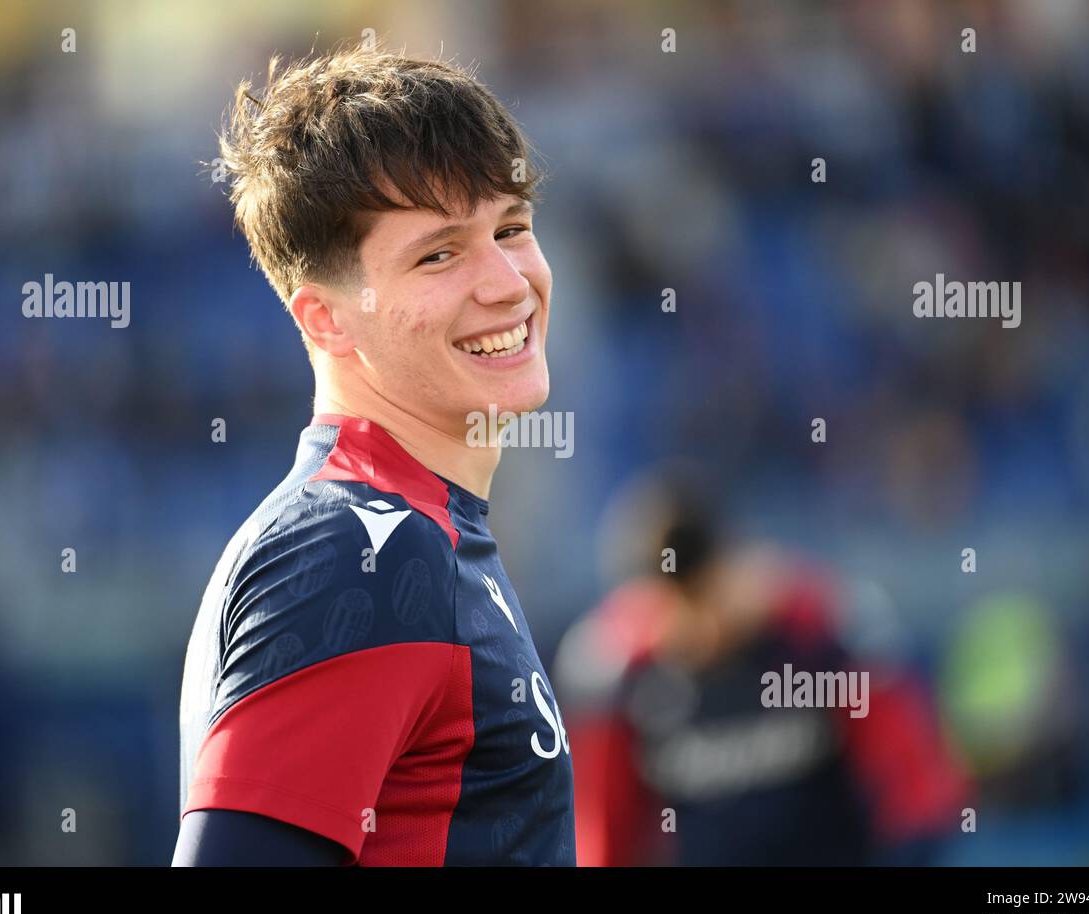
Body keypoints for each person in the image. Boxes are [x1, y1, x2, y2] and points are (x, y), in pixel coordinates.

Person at [172, 44, 573, 866]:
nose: (508, 283)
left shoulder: (414, 529)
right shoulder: (359, 550)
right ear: (324, 320)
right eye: (439, 253)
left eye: (511, 229)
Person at [557, 467, 970, 865]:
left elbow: (917, 800)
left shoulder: (829, 636)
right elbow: (602, 841)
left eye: (706, 597)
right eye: (677, 608)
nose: (701, 629)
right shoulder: (614, 676)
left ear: (737, 562)